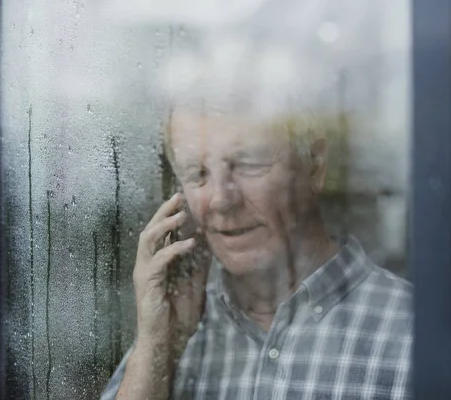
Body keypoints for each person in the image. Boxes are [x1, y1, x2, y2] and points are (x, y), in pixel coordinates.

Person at [100, 80, 413, 399]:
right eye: (198, 174)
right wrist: (158, 345)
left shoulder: (415, 332)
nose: (221, 200)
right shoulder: (173, 333)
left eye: (249, 164)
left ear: (314, 165)